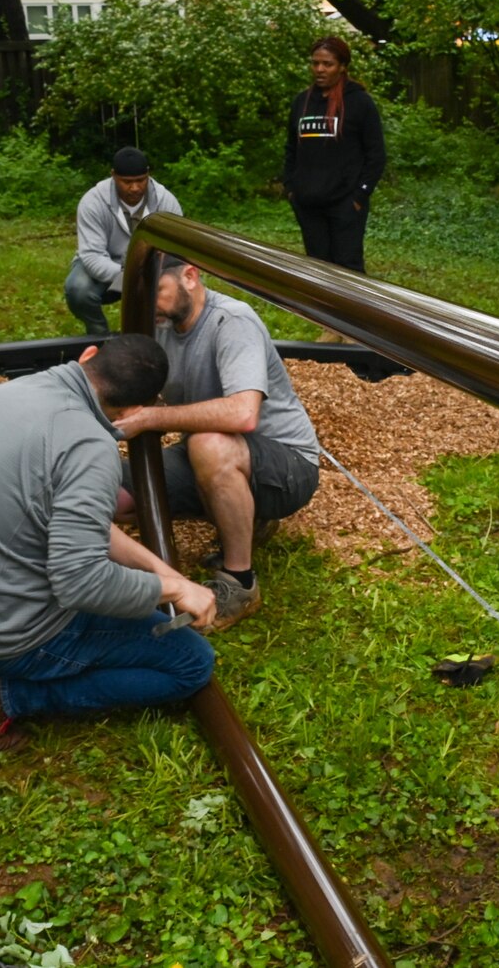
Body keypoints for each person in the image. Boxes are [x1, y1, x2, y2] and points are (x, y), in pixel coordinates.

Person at [0, 335, 217, 758]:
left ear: (88, 356)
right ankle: (6, 696)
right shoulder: (90, 447)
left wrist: (165, 574)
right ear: (131, 412)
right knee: (192, 664)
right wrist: (178, 591)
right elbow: (81, 584)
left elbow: (72, 524)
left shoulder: (9, 393)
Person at [114, 255, 322, 632]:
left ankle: (240, 582)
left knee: (210, 444)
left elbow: (243, 415)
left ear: (190, 276)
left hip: (287, 466)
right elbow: (150, 395)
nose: (149, 305)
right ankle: (244, 515)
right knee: (114, 495)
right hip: (208, 455)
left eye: (157, 291)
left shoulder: (232, 321)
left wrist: (150, 419)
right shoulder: (161, 325)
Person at [281, 36, 385, 301]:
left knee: (348, 268)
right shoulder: (301, 103)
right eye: (315, 63)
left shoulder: (360, 103)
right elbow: (291, 149)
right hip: (308, 203)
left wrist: (359, 197)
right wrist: (292, 188)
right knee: (318, 269)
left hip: (345, 203)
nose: (319, 69)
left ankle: (353, 331)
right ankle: (328, 327)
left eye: (327, 64)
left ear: (342, 66)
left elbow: (376, 155)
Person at [66, 146, 183, 336]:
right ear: (113, 176)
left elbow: (177, 251)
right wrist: (131, 279)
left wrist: (159, 279)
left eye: (140, 180)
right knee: (78, 289)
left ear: (148, 175)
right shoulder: (93, 202)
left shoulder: (166, 202)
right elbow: (92, 255)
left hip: (152, 269)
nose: (135, 188)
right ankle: (98, 335)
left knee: (182, 287)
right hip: (107, 268)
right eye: (127, 182)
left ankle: (163, 337)